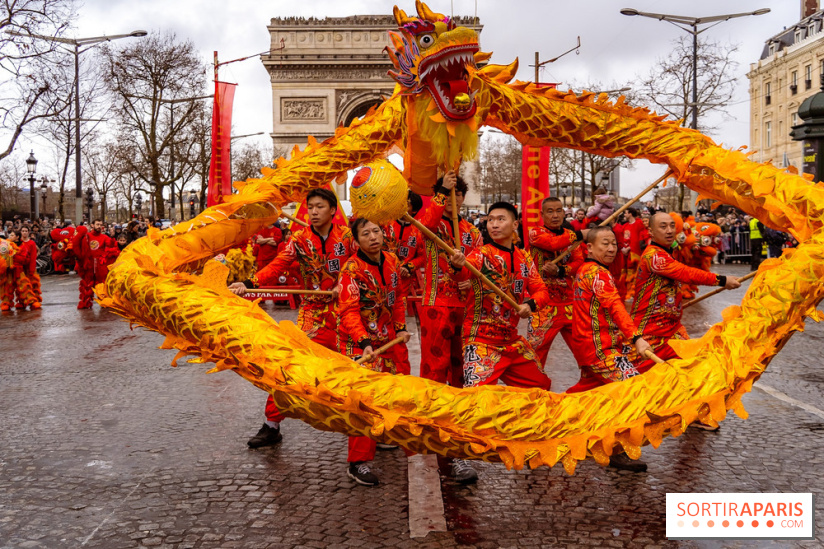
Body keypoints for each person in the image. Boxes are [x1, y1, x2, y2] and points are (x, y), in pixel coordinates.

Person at [229, 188, 355, 449]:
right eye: (311, 207)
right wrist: (248, 283)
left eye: (320, 206)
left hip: (347, 313)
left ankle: (370, 429)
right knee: (290, 366)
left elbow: (362, 265)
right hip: (313, 314)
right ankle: (272, 425)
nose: (314, 211)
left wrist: (347, 285)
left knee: (359, 369)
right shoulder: (299, 240)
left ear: (333, 210)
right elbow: (277, 266)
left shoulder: (348, 237)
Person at [450, 202, 552, 483]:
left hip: (510, 341)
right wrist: (457, 266)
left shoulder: (524, 258)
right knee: (473, 399)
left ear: (515, 224)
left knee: (540, 385)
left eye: (501, 219)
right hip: (480, 339)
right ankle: (459, 455)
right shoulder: (481, 255)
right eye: (491, 219)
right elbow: (462, 274)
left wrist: (530, 304)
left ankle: (526, 437)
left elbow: (541, 290)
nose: (494, 224)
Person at [567, 226, 652, 471]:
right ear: (589, 247)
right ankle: (616, 448)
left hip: (591, 347)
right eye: (605, 243)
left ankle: (553, 428)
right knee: (633, 390)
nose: (612, 248)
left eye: (613, 243)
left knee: (581, 396)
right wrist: (636, 337)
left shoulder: (588, 270)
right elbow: (615, 307)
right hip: (600, 351)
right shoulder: (597, 273)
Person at [337, 217, 411, 486]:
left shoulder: (392, 261)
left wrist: (401, 327)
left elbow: (399, 297)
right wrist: (363, 342)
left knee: (394, 388)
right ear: (356, 241)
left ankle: (381, 434)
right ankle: (358, 463)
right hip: (359, 343)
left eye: (376, 231)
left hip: (388, 340)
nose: (372, 236)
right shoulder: (351, 269)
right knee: (363, 401)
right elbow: (348, 310)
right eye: (365, 233)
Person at [630, 213, 740, 370]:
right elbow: (686, 273)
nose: (669, 230)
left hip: (673, 329)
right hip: (649, 331)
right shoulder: (653, 256)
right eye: (663, 226)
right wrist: (722, 280)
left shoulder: (668, 252)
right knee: (641, 383)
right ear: (651, 231)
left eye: (672, 226)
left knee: (691, 368)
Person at [413, 171, 482, 387]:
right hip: (437, 302)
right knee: (435, 364)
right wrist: (443, 189)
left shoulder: (472, 231)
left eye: (458, 193)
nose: (454, 198)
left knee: (462, 363)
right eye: (449, 193)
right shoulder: (430, 224)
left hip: (465, 303)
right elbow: (427, 224)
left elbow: (481, 264)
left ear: (463, 198)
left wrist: (471, 281)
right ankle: (432, 407)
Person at [526, 197, 586, 368]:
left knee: (585, 351)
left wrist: (561, 271)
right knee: (535, 358)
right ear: (542, 214)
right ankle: (535, 391)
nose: (555, 215)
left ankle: (590, 389)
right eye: (550, 211)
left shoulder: (570, 236)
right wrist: (581, 234)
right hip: (543, 305)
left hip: (569, 303)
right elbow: (552, 244)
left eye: (559, 210)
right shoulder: (535, 233)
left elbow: (578, 261)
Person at [73, 219, 119, 309]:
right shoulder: (86, 236)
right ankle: (86, 302)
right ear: (92, 225)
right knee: (87, 285)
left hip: (100, 266)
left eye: (101, 225)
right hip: (88, 265)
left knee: (101, 284)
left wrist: (113, 240)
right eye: (97, 224)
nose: (99, 226)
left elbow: (111, 247)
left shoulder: (105, 237)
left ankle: (103, 301)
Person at [12, 226, 41, 310]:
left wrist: (32, 270)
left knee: (31, 284)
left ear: (28, 232)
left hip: (29, 267)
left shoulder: (31, 243)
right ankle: (22, 301)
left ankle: (33, 300)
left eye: (26, 231)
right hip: (20, 267)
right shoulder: (17, 242)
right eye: (23, 231)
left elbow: (33, 257)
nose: (24, 232)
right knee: (20, 285)